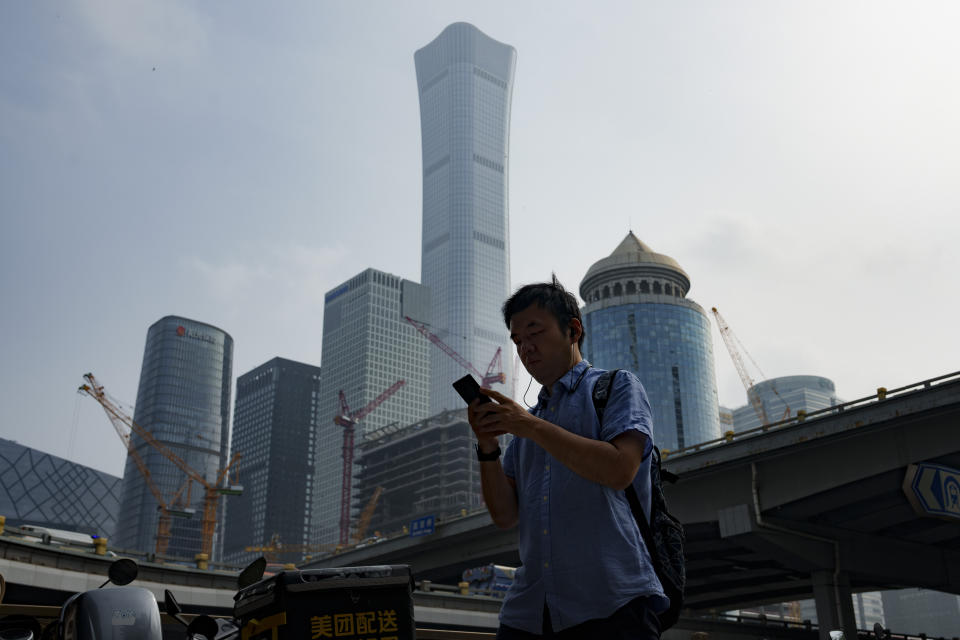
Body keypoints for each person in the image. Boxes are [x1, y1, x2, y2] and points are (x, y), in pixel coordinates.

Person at [468, 276, 667, 639]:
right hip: (529, 610)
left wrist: (528, 426)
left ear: (573, 330)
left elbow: (620, 469)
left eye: (535, 333)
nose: (526, 348)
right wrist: (487, 446)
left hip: (612, 602)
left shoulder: (616, 387)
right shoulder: (527, 423)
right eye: (517, 340)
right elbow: (505, 515)